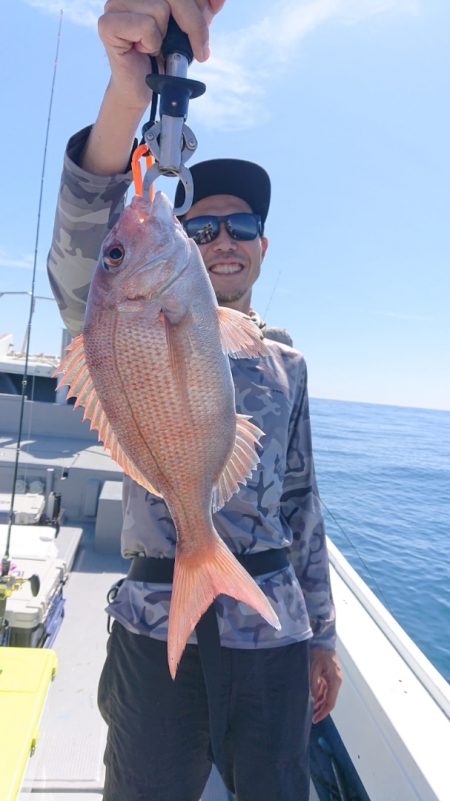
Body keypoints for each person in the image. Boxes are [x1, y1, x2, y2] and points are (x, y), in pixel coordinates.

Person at [47, 2, 342, 800]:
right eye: (200, 227)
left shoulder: (287, 361)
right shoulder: (122, 313)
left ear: (262, 247)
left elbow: (303, 505)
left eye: (240, 226)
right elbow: (85, 246)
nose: (221, 241)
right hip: (153, 619)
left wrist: (323, 637)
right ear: (178, 241)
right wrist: (123, 91)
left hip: (272, 626)